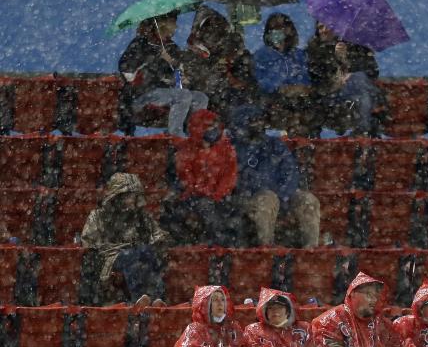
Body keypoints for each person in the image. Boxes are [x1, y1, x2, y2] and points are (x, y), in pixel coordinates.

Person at [228, 104, 322, 247]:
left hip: (282, 195)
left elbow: (291, 171)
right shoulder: (231, 148)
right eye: (254, 120)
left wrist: (282, 194)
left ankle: (311, 248)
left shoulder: (274, 144)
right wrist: (264, 191)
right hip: (248, 197)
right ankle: (267, 248)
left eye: (260, 120)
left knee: (307, 200)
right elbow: (237, 179)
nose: (259, 124)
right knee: (266, 200)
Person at [80, 172, 169, 308]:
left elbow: (158, 235)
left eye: (134, 196)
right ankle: (139, 298)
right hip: (110, 258)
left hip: (137, 254)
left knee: (146, 257)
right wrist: (111, 248)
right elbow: (89, 242)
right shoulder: (98, 216)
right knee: (135, 256)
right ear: (118, 197)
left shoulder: (141, 217)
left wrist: (158, 241)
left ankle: (156, 299)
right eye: (129, 196)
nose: (132, 200)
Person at [118, 12, 209, 136]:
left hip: (166, 93)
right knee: (183, 96)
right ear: (162, 23)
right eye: (173, 23)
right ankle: (175, 135)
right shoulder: (141, 43)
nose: (176, 27)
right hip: (143, 93)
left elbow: (175, 70)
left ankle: (194, 133)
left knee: (200, 98)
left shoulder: (170, 46)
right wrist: (151, 59)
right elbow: (126, 69)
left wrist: (179, 74)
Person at [167, 109, 238, 245]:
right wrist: (201, 191)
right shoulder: (186, 150)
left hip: (221, 198)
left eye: (215, 127)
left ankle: (219, 247)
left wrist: (217, 194)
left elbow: (230, 176)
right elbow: (185, 178)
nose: (214, 131)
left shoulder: (226, 148)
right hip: (193, 198)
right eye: (210, 127)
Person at [181, 6, 257, 116]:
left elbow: (248, 77)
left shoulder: (233, 48)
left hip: (234, 98)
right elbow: (196, 83)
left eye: (218, 32)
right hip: (210, 101)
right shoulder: (192, 55)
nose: (214, 38)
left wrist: (233, 72)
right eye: (209, 31)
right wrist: (217, 71)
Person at [253, 13, 314, 136]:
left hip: (299, 100)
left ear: (290, 30)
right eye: (273, 28)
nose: (276, 31)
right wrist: (280, 87)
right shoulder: (261, 55)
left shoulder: (299, 55)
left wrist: (300, 88)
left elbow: (305, 78)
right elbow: (262, 82)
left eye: (281, 27)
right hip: (273, 101)